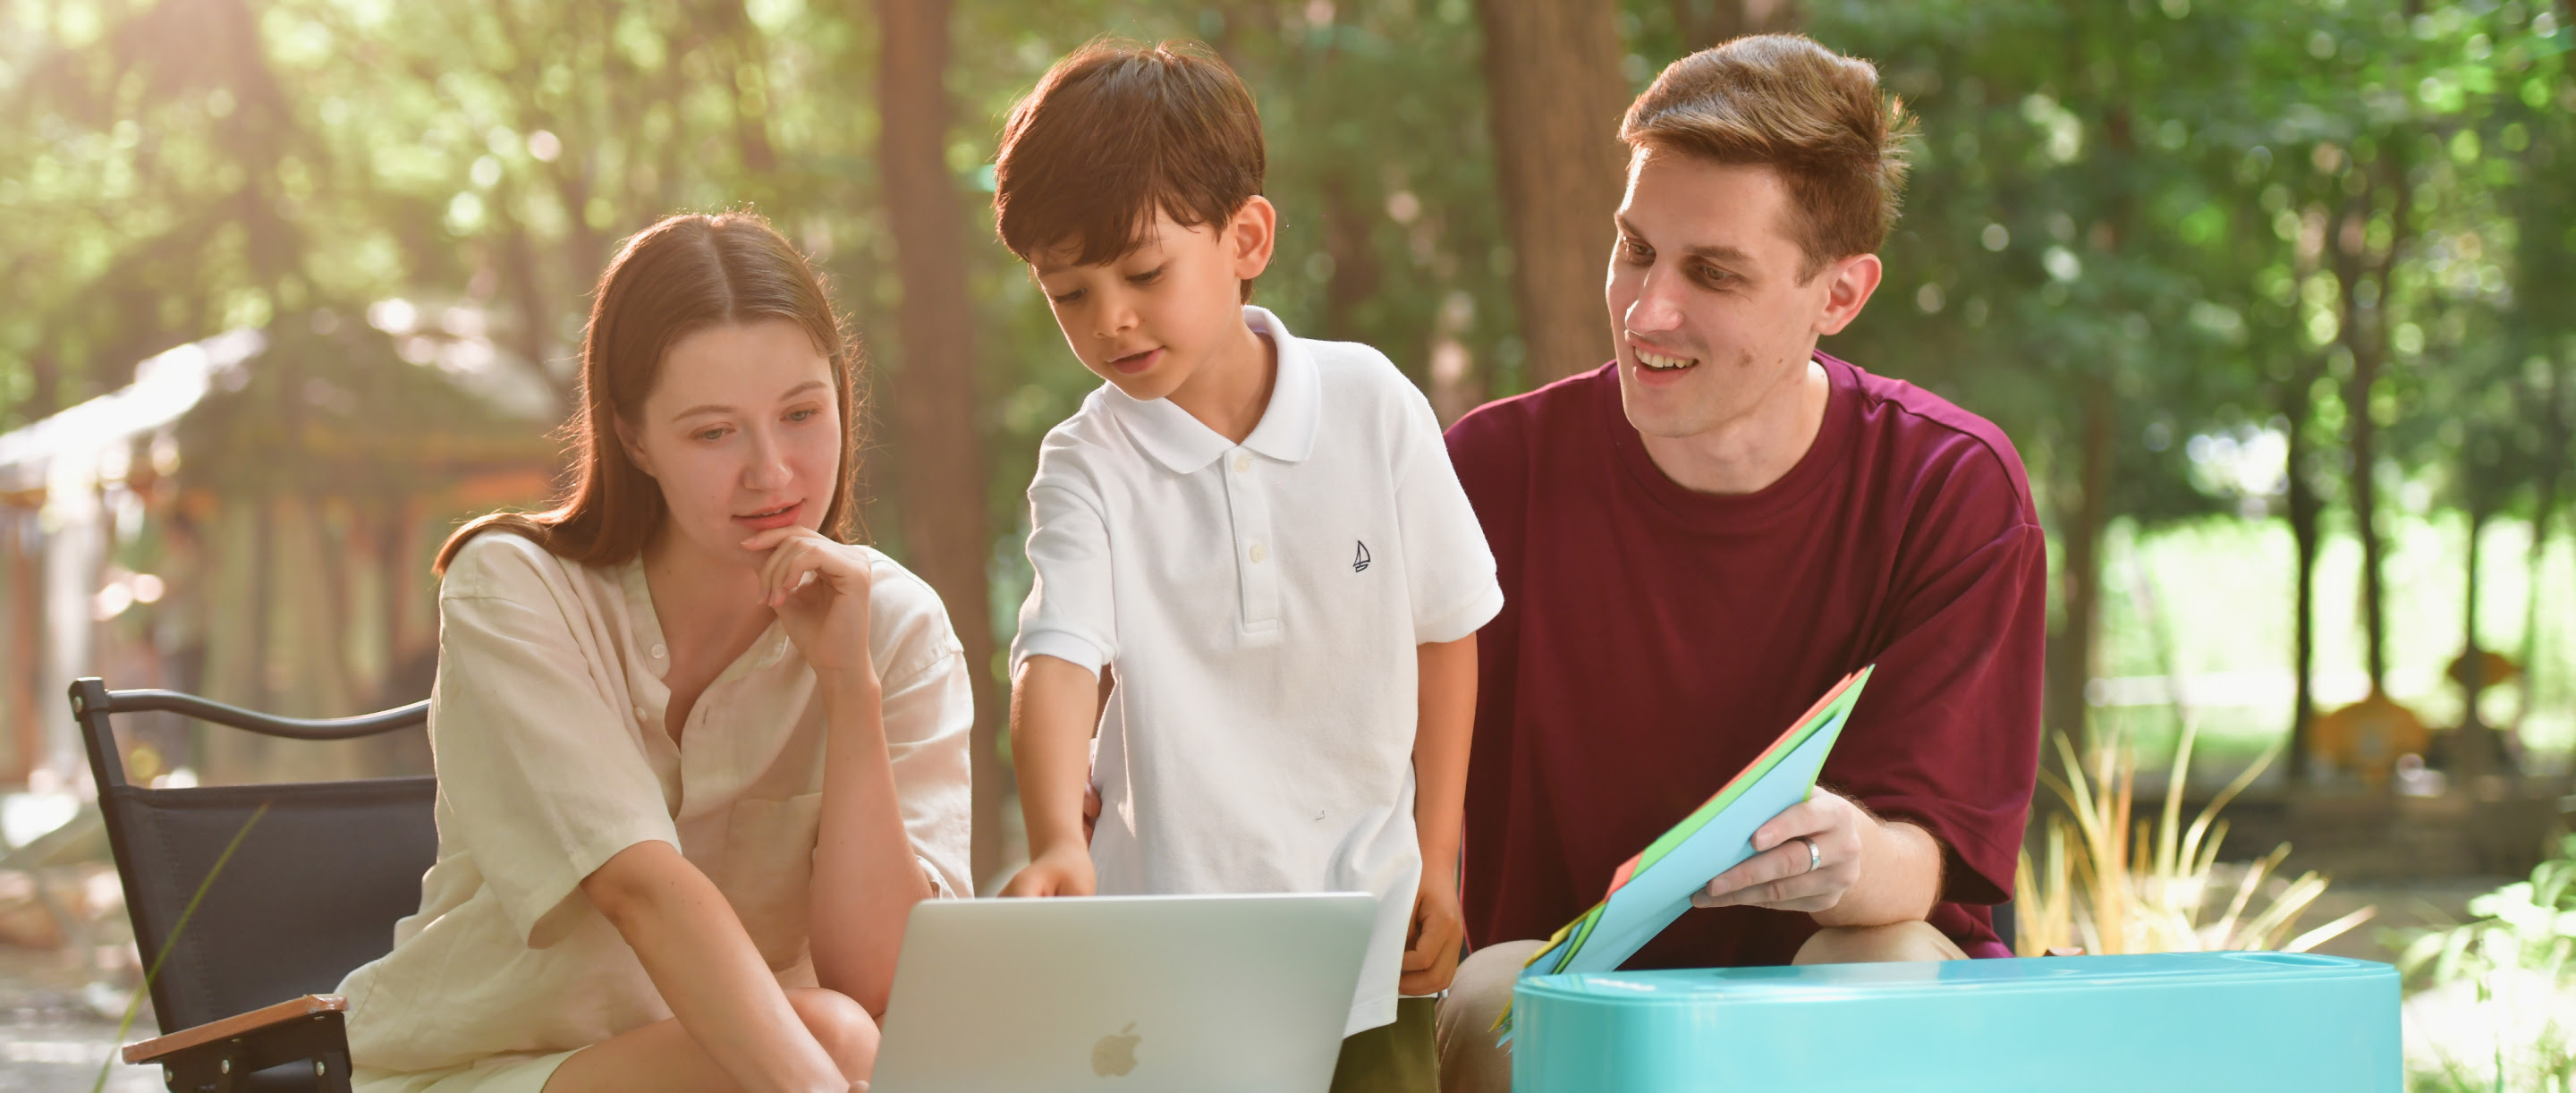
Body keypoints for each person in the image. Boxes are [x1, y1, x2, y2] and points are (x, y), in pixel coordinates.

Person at [1431, 36, 2047, 1089]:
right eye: (1635, 250)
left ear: (1839, 296)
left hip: (1839, 978)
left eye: (1711, 272)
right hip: (1578, 988)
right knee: (1495, 995)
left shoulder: (1953, 485)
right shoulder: (1489, 471)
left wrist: (1851, 851)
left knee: (1885, 963)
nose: (1647, 310)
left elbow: (1932, 853)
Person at [337, 212, 973, 1093]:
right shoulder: (515, 591)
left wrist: (846, 685)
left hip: (773, 1067)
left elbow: (881, 982)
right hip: (490, 1069)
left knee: (838, 1024)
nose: (773, 472)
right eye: (714, 432)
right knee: (830, 1039)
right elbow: (641, 890)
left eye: (800, 414)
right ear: (634, 438)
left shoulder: (894, 624)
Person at [990, 40, 1502, 1091]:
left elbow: (1446, 628)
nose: (1109, 320)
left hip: (1364, 938)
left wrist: (1438, 847)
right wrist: (1054, 838)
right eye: (1068, 293)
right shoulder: (1088, 462)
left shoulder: (1373, 404)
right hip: (1165, 956)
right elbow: (1057, 657)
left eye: (1141, 273)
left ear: (1245, 237)